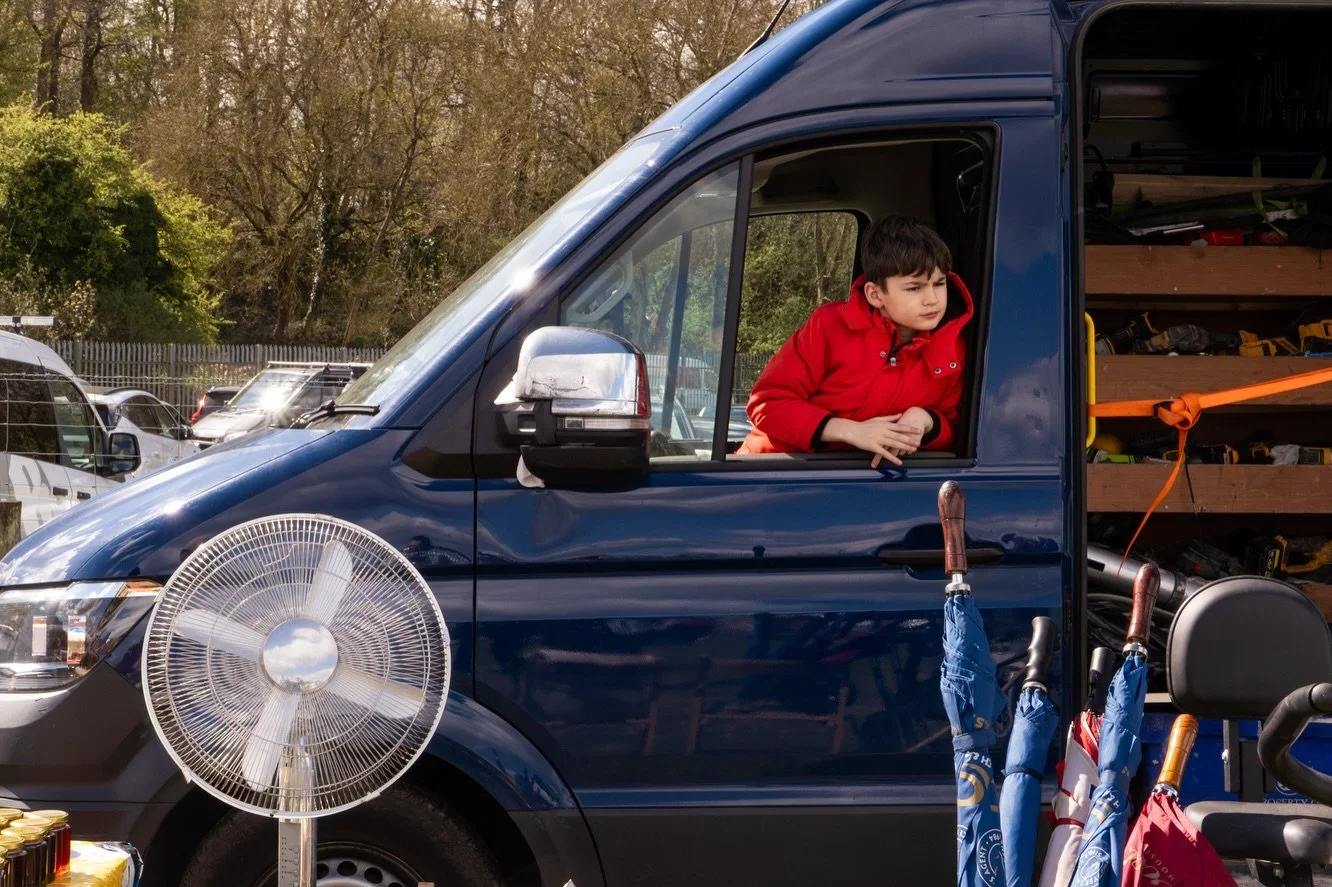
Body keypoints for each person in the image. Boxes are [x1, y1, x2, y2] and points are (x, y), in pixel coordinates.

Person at [736, 215, 974, 466]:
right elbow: (767, 403)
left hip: (865, 479)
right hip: (773, 469)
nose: (932, 300)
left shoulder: (955, 349)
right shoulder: (829, 326)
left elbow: (961, 434)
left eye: (939, 284)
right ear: (875, 294)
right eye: (915, 288)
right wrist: (849, 430)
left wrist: (926, 421)